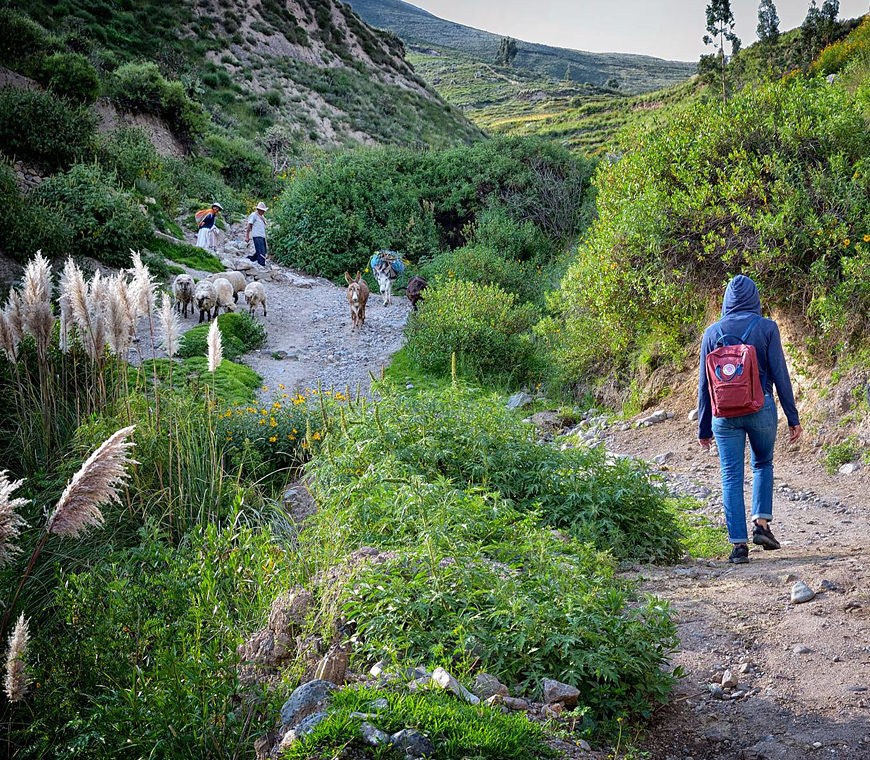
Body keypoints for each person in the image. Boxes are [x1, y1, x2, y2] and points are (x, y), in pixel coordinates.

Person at [697, 275, 802, 565]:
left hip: (724, 415)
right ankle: (761, 525)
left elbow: (705, 385)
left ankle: (738, 546)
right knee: (762, 463)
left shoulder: (711, 333)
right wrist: (793, 417)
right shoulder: (767, 327)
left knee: (730, 475)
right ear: (754, 298)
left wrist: (703, 427)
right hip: (760, 408)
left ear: (727, 299)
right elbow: (781, 374)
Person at [246, 201, 269, 266]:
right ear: (258, 209)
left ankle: (250, 259)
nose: (263, 211)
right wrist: (247, 236)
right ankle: (261, 264)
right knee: (262, 252)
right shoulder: (254, 215)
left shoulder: (262, 217)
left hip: (262, 236)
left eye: (263, 210)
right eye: (262, 210)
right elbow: (249, 225)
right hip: (257, 236)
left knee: (263, 251)